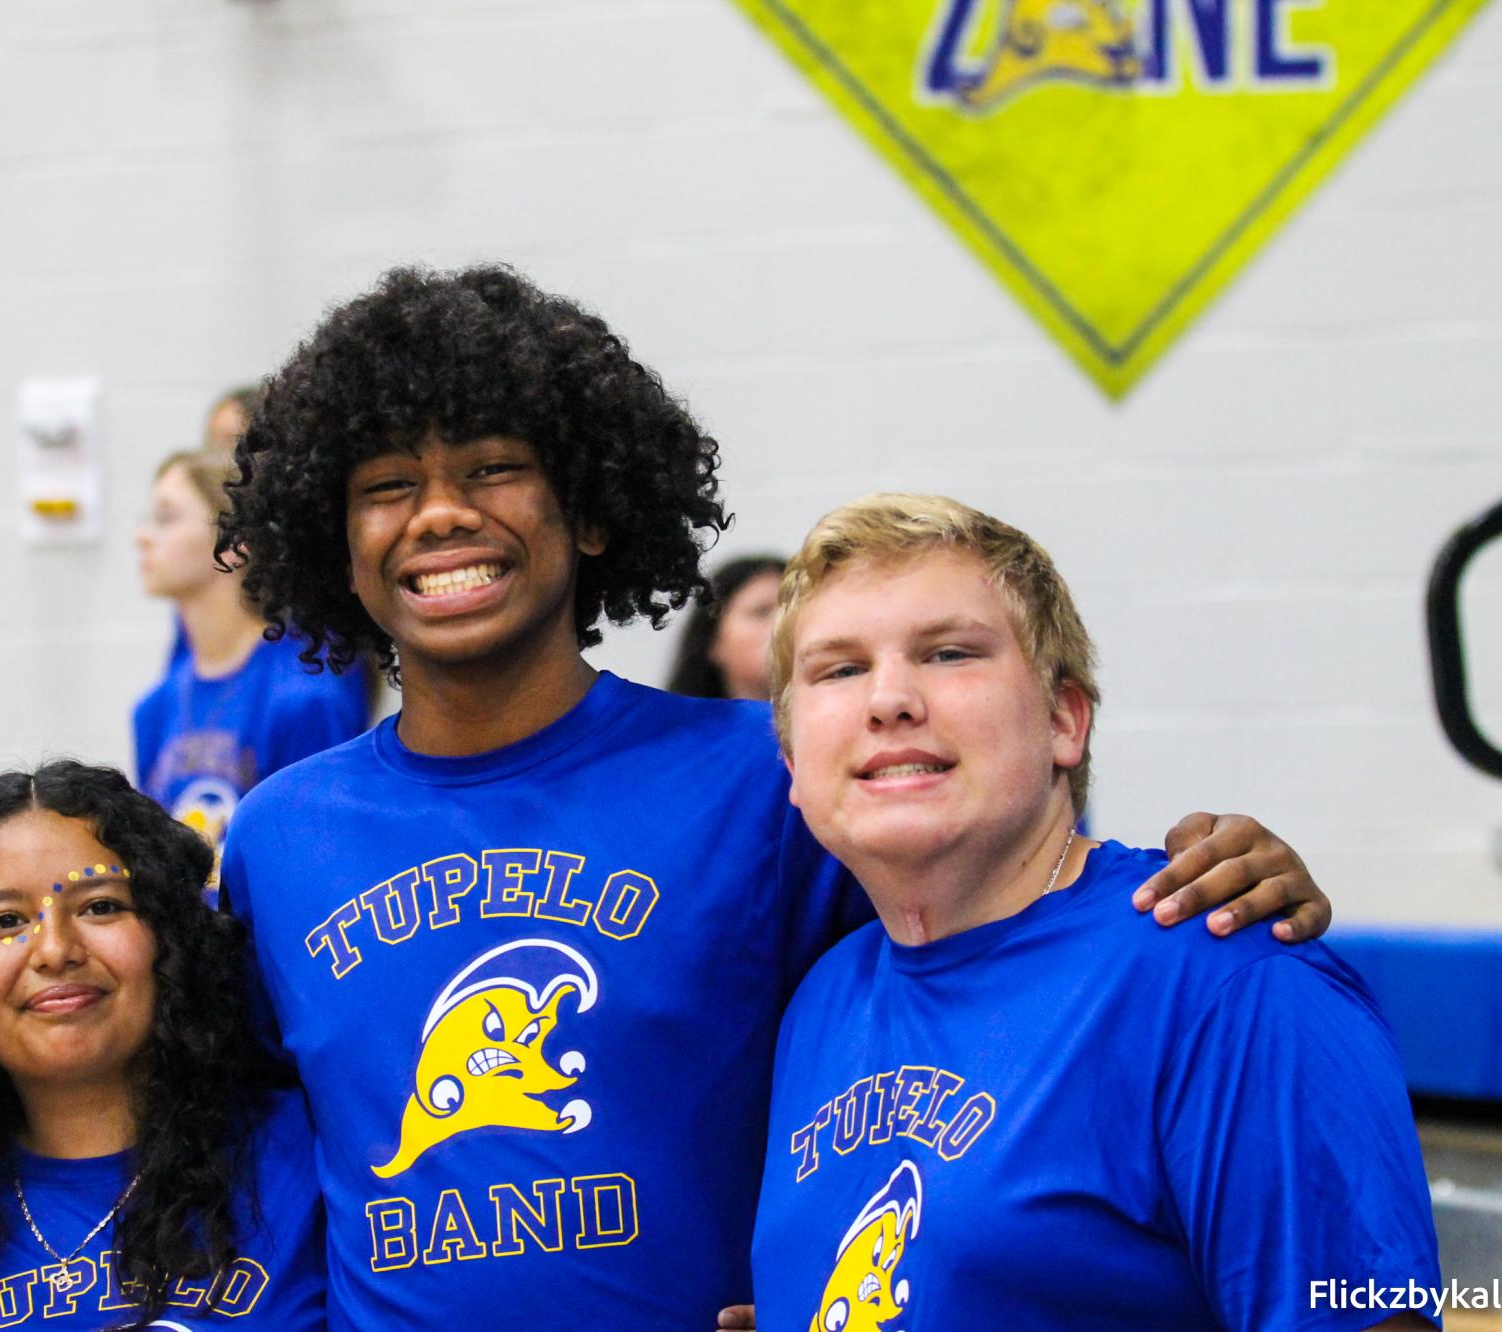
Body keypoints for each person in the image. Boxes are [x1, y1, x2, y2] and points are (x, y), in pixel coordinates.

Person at [213, 263, 1334, 1330]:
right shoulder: (279, 839)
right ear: (336, 544)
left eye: (494, 468)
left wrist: (1222, 874)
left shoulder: (771, 775)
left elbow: (1003, 933)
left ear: (591, 511)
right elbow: (244, 1144)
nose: (442, 513)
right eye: (388, 488)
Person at [751, 494, 1438, 1331]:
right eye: (839, 669)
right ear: (791, 760)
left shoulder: (1228, 978)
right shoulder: (823, 998)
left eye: (949, 653)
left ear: (1063, 722)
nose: (888, 699)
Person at [0, 760, 324, 1332]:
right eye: (4, 920)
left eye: (101, 905)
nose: (54, 950)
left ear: (173, 936)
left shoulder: (307, 1156)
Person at [133, 449, 371, 859]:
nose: (142, 536)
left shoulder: (306, 695)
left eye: (167, 518)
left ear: (234, 544)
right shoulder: (154, 709)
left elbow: (324, 853)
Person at [666, 553, 786, 699]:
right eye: (761, 612)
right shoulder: (672, 720)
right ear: (713, 640)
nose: (785, 622)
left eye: (795, 610)